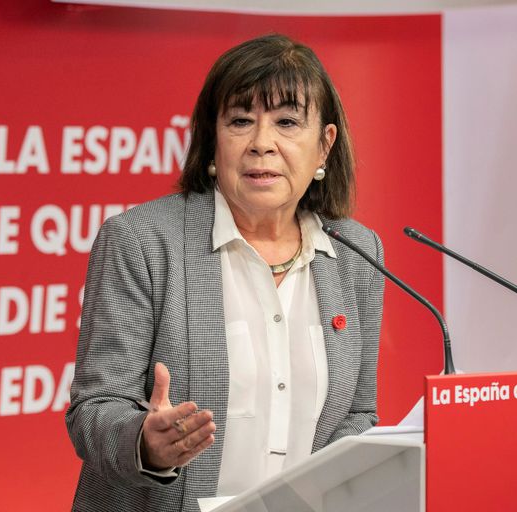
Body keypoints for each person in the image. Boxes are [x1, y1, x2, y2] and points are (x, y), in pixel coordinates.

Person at [66, 33, 385, 512]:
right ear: (213, 143)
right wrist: (145, 444)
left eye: (287, 122)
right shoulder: (143, 241)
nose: (262, 144)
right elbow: (93, 409)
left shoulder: (357, 252)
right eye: (240, 121)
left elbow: (357, 413)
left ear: (324, 146)